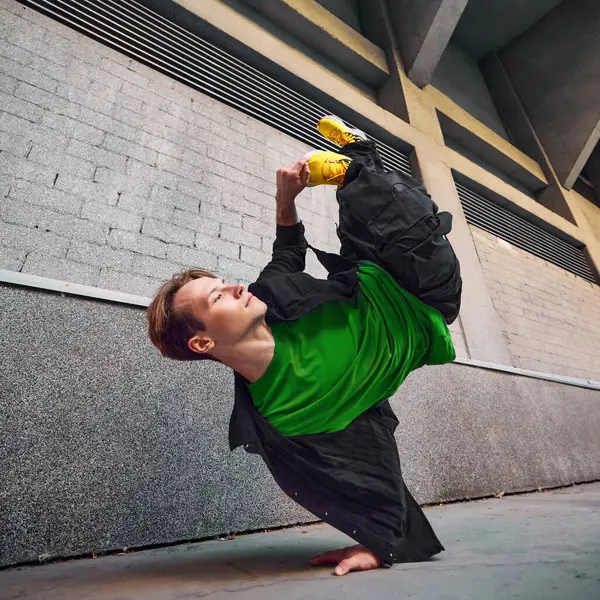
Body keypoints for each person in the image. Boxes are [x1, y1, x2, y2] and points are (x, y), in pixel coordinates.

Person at [147, 116, 462, 576]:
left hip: (377, 278)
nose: (236, 287)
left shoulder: (269, 294)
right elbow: (358, 472)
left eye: (224, 283)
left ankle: (356, 160)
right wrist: (380, 541)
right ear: (202, 341)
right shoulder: (285, 416)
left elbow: (287, 253)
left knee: (373, 219)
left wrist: (285, 199)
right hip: (424, 302)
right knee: (409, 227)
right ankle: (359, 166)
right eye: (219, 296)